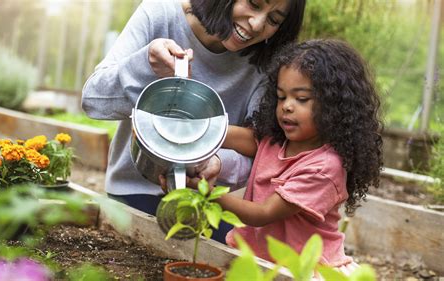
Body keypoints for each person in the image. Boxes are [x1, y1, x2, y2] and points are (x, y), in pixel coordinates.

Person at [81, 0, 306, 242]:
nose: (256, 24)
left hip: (206, 201)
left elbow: (262, 152)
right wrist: (146, 65)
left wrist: (218, 162)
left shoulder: (264, 64)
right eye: (253, 3)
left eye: (274, 20)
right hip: (134, 191)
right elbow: (93, 100)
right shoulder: (161, 14)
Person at [198, 39, 383, 272]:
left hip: (305, 269)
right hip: (261, 259)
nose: (287, 106)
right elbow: (246, 138)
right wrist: (203, 131)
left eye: (301, 99)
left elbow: (264, 213)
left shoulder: (325, 167)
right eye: (282, 96)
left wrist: (206, 192)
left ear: (333, 105)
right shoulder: (279, 141)